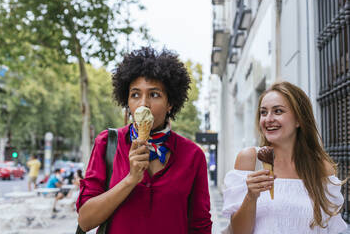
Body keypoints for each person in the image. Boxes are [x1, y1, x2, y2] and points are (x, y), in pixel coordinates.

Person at [77, 47, 212, 233]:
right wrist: (131, 179)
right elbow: (85, 221)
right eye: (135, 95)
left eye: (154, 94)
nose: (143, 104)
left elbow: (200, 225)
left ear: (170, 103)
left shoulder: (192, 155)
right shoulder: (107, 143)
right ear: (127, 102)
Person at [222, 81, 347, 234]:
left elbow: (332, 228)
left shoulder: (321, 167)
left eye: (278, 111)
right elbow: (238, 232)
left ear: (299, 120)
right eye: (263, 112)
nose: (268, 119)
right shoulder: (251, 159)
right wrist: (251, 196)